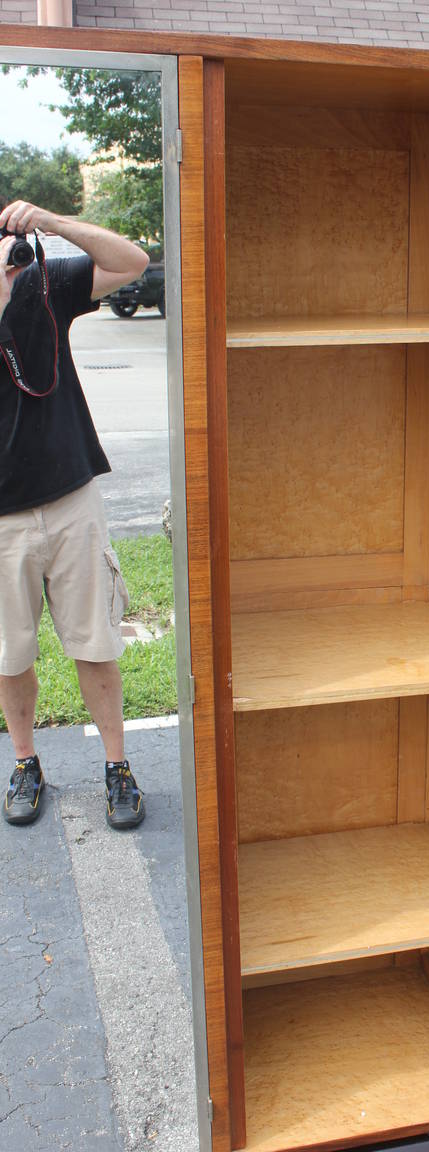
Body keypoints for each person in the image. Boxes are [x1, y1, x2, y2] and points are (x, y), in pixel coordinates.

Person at [0, 199, 150, 830]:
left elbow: (132, 261)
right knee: (11, 655)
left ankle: (118, 769)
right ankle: (25, 762)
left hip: (71, 501)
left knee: (94, 646)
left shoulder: (42, 281)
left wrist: (54, 226)